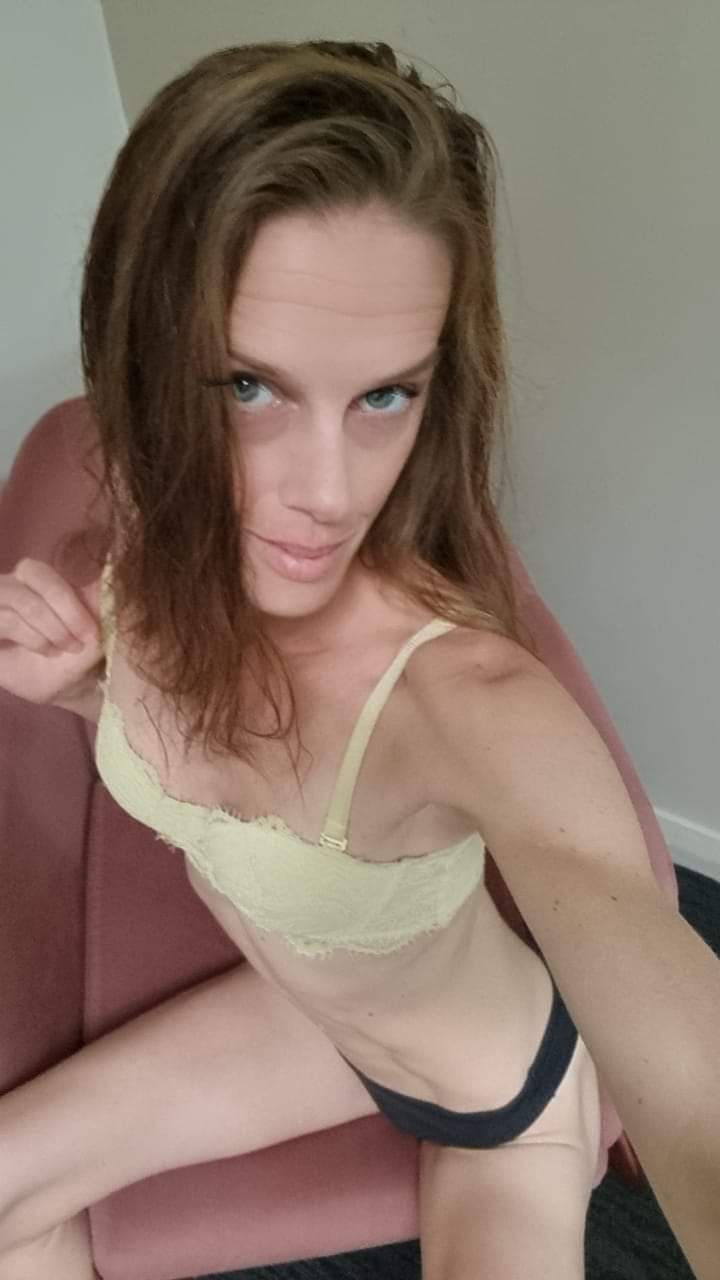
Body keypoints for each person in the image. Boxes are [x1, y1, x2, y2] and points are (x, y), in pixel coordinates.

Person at [0, 39, 717, 1280]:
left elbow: (691, 1073)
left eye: (386, 396)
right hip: (297, 1024)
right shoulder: (144, 528)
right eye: (249, 385)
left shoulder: (466, 699)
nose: (325, 494)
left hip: (495, 1087)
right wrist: (84, 688)